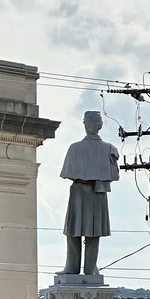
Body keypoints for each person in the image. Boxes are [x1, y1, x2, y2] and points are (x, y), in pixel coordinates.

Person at [60, 110, 120, 276]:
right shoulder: (107, 149)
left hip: (91, 191)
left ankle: (82, 268)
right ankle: (81, 268)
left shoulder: (77, 148)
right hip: (93, 191)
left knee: (80, 232)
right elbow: (114, 175)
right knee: (81, 232)